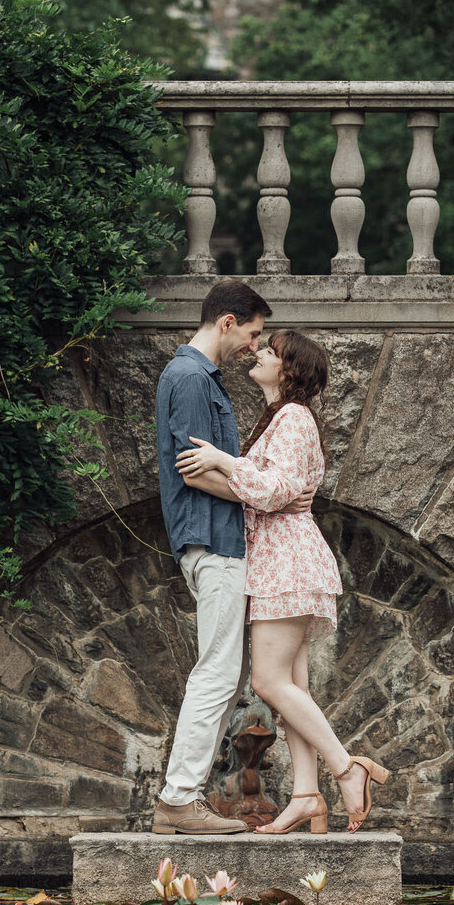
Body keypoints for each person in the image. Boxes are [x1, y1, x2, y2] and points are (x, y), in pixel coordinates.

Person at [176, 329, 389, 834]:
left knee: (268, 682)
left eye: (270, 351)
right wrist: (232, 467)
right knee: (292, 687)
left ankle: (346, 767)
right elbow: (269, 488)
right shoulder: (279, 417)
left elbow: (272, 491)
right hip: (282, 557)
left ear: (288, 370)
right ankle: (306, 796)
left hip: (287, 558)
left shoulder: (293, 417)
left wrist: (223, 461)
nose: (260, 353)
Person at [153, 280, 315, 837]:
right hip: (213, 541)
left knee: (222, 670)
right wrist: (281, 497)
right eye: (252, 333)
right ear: (226, 322)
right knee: (218, 673)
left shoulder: (200, 378)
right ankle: (178, 799)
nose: (254, 345)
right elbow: (195, 470)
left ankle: (181, 798)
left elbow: (221, 470)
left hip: (220, 540)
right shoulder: (193, 378)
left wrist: (272, 492)